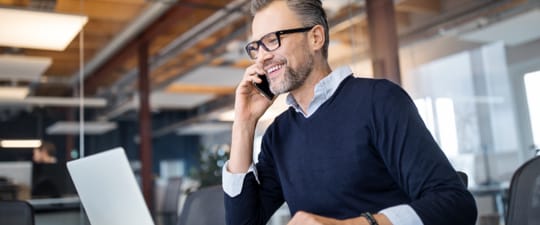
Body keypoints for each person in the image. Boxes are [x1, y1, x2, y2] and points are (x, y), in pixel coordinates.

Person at [222, 1, 477, 225]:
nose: (262, 57)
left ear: (315, 38)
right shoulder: (278, 134)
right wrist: (243, 123)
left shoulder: (379, 101)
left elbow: (455, 204)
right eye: (256, 47)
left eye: (272, 40)